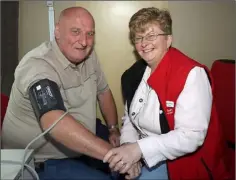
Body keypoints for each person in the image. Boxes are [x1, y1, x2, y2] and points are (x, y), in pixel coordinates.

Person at [103, 7, 230, 180]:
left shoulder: (191, 74)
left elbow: (191, 136)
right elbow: (130, 120)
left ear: (168, 39)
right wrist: (129, 149)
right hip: (145, 152)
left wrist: (138, 150)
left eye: (151, 36)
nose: (144, 43)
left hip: (184, 162)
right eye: (138, 38)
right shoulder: (132, 75)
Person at [2, 7, 121, 180]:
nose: (84, 42)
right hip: (43, 159)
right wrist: (112, 154)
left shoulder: (89, 56)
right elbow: (55, 122)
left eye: (90, 34)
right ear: (57, 32)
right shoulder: (37, 65)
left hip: (82, 136)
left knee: (129, 155)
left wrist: (113, 129)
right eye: (76, 31)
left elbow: (103, 92)